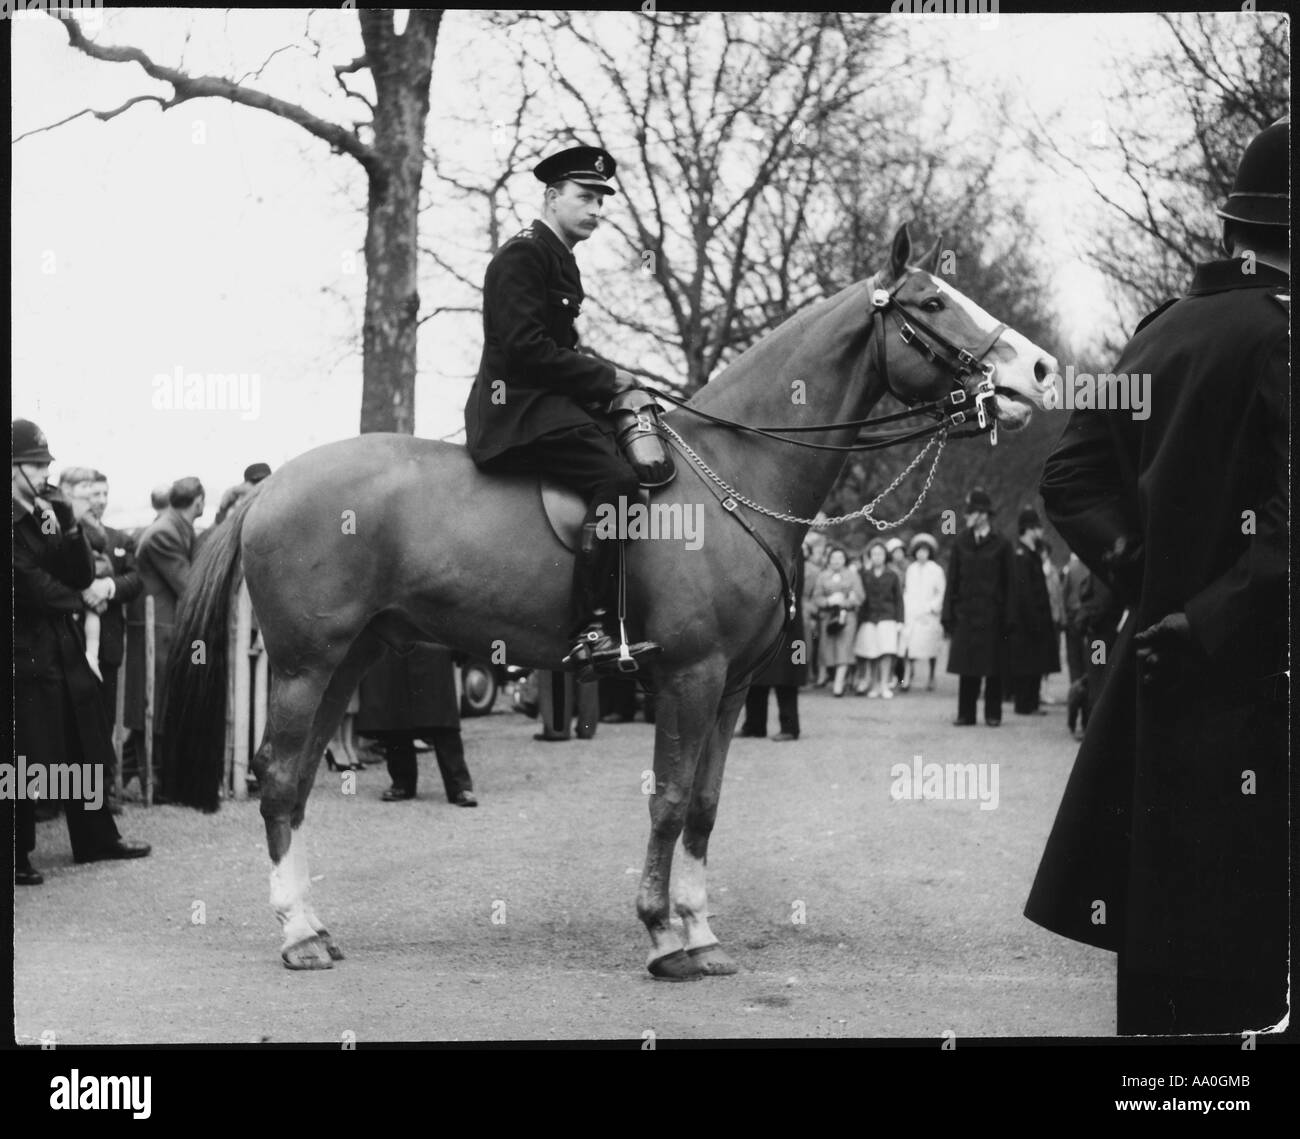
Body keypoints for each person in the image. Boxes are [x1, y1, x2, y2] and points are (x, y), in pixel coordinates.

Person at [1026, 119, 1289, 1035]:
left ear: (1230, 233)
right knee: (1246, 985)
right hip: (1258, 696)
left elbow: (1067, 475)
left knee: (1159, 972)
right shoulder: (1281, 338)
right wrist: (1212, 619)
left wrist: (1147, 574)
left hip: (1152, 682)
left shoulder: (1155, 335)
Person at [462, 144, 659, 680]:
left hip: (547, 402)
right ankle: (587, 630)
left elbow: (560, 350)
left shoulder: (558, 258)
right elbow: (527, 348)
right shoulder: (523, 255)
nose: (596, 209)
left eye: (601, 200)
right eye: (585, 197)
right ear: (552, 197)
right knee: (618, 482)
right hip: (518, 409)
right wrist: (605, 377)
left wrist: (612, 383)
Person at [10, 419, 151, 884]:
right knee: (26, 753)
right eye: (35, 465)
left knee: (83, 740)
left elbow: (76, 572)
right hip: (23, 646)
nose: (44, 474)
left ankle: (95, 838)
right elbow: (29, 585)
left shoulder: (47, 513)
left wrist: (70, 528)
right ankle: (17, 853)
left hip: (58, 642)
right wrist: (79, 597)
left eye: (46, 464)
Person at [134, 476, 205, 800]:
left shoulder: (176, 526)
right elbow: (188, 586)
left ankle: (150, 777)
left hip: (166, 631)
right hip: (159, 631)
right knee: (155, 708)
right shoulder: (166, 531)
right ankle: (155, 781)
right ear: (199, 501)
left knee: (159, 708)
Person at [356, 643, 477, 806]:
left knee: (442, 719)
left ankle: (459, 786)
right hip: (394, 644)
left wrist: (460, 644)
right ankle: (402, 783)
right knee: (395, 716)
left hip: (430, 641)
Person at [941, 487, 1012, 727]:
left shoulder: (1002, 543)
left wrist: (1010, 618)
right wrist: (947, 614)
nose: (966, 516)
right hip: (966, 615)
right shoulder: (960, 541)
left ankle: (993, 714)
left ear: (983, 514)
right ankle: (966, 714)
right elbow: (952, 580)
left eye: (971, 512)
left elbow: (1011, 584)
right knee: (967, 666)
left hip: (993, 615)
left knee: (994, 667)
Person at [739, 558, 807, 741]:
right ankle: (754, 724)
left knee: (787, 679)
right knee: (756, 674)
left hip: (788, 623)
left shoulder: (793, 551)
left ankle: (790, 727)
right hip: (764, 620)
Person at [1006, 506, 1060, 715]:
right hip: (1028, 621)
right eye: (1038, 528)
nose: (1041, 532)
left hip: (1036, 619)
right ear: (1029, 529)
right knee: (1027, 663)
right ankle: (1025, 703)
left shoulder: (1031, 554)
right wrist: (1034, 621)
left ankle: (1031, 702)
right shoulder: (1021, 556)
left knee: (1034, 662)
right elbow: (1024, 593)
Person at [853, 540, 902, 698]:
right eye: (874, 554)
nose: (877, 557)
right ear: (869, 556)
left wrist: (900, 620)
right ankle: (874, 684)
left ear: (885, 556)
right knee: (872, 653)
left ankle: (884, 685)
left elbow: (898, 599)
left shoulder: (892, 574)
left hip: (888, 616)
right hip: (869, 617)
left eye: (880, 554)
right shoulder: (864, 574)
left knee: (886, 652)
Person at [811, 546, 862, 697]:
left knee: (844, 648)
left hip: (846, 617)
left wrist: (847, 600)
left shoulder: (852, 575)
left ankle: (839, 684)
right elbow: (816, 597)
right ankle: (836, 678)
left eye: (840, 558)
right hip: (828, 617)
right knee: (829, 649)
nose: (836, 561)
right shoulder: (823, 576)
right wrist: (828, 601)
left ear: (845, 559)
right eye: (833, 558)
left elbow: (860, 596)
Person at [901, 532, 945, 691]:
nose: (922, 554)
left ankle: (931, 676)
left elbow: (941, 592)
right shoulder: (911, 569)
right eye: (919, 550)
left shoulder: (936, 570)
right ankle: (906, 677)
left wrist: (932, 607)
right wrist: (907, 607)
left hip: (929, 614)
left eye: (925, 551)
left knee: (930, 646)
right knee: (908, 646)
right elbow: (907, 590)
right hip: (912, 612)